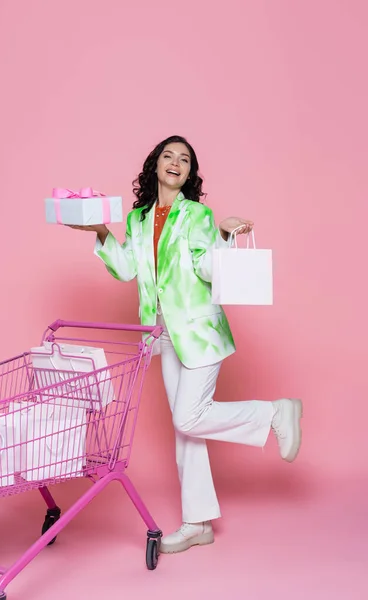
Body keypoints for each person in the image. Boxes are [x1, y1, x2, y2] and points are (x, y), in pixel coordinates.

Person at [69, 135, 303, 554]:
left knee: (188, 419)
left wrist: (225, 238)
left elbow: (208, 268)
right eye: (168, 155)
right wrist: (103, 232)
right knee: (186, 433)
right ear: (155, 164)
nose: (175, 162)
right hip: (162, 335)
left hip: (198, 331)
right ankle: (197, 523)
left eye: (185, 159)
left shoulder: (198, 214)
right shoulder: (139, 218)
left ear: (190, 173)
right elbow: (126, 270)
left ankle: (273, 413)